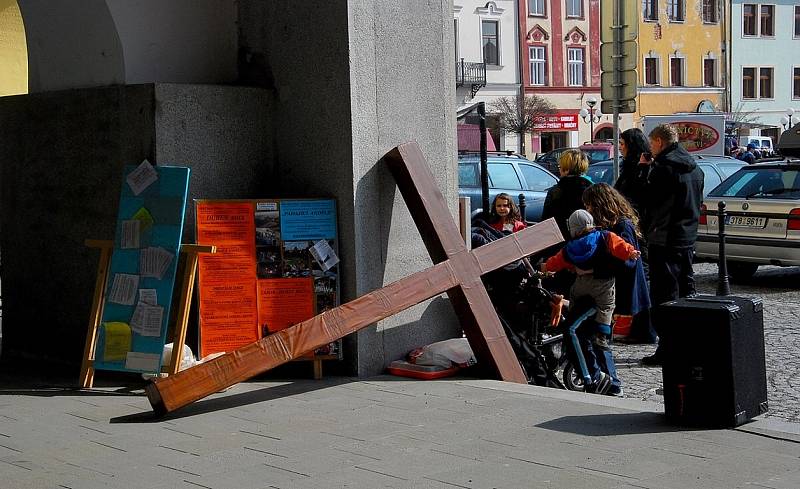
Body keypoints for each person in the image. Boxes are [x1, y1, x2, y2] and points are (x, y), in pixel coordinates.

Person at [541, 209, 641, 395]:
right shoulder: (605, 237)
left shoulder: (571, 247)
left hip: (581, 288)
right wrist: (631, 253)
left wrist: (545, 267)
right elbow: (621, 248)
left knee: (574, 326)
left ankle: (596, 379)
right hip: (602, 289)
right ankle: (604, 339)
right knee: (604, 311)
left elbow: (556, 261)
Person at [639, 124, 704, 366]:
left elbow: (647, 201)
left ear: (659, 142)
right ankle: (690, 344)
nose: (649, 147)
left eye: (651, 143)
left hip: (664, 238)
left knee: (665, 296)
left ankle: (668, 348)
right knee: (687, 292)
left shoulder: (663, 169)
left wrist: (643, 171)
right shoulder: (695, 168)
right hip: (687, 238)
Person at [583, 183, 655, 346]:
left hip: (625, 280)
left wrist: (600, 265)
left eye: (589, 205)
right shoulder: (615, 223)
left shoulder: (622, 225)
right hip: (621, 278)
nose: (587, 209)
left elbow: (627, 258)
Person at [541, 149, 593, 241]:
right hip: (589, 240)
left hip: (560, 242)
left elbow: (546, 223)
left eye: (560, 167)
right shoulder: (592, 189)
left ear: (566, 169)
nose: (559, 170)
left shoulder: (556, 191)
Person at [614, 128, 651, 219]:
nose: (619, 147)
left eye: (622, 144)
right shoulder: (628, 165)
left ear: (631, 146)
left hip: (637, 217)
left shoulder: (641, 167)